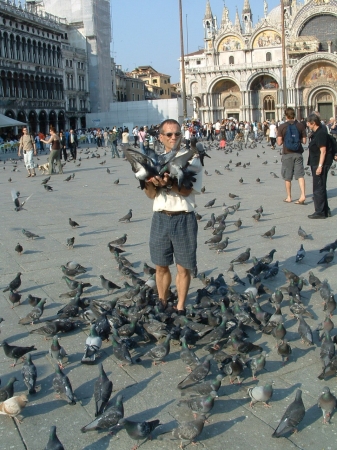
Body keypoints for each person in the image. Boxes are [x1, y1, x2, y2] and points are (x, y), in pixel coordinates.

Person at [144, 119, 202, 315]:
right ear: (161, 137)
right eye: (169, 134)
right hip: (160, 217)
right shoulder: (155, 160)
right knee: (160, 266)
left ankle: (180, 307)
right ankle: (162, 301)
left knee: (184, 267)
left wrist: (169, 184)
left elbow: (188, 190)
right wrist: (154, 183)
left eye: (177, 133)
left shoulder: (193, 159)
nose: (173, 137)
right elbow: (151, 194)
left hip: (184, 218)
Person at [306, 113, 334, 218]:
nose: (307, 125)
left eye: (308, 123)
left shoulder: (320, 133)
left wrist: (320, 166)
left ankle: (320, 212)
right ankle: (325, 210)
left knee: (318, 188)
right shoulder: (318, 132)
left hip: (319, 163)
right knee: (321, 186)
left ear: (313, 123)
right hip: (317, 163)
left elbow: (323, 151)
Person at [277, 107, 307, 204]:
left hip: (287, 154)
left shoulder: (282, 126)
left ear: (286, 115)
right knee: (300, 175)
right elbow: (304, 141)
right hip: (298, 153)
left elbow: (279, 142)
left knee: (287, 177)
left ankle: (289, 197)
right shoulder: (300, 125)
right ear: (294, 115)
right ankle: (302, 195)